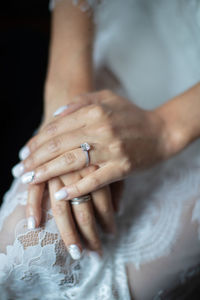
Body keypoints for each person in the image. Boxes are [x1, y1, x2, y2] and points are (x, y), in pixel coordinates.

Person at [1, 0, 200, 299]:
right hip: (140, 36)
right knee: (26, 246)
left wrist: (165, 129)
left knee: (124, 288)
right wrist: (65, 100)